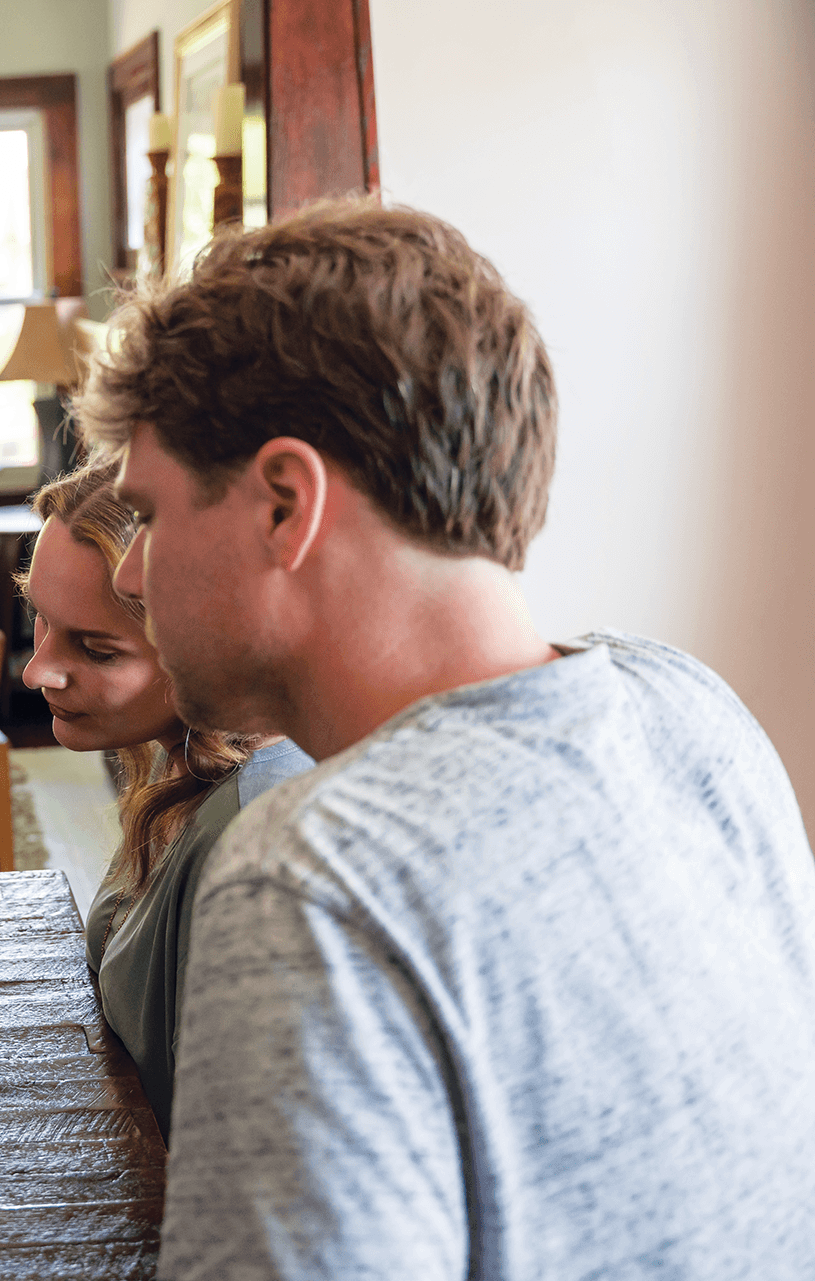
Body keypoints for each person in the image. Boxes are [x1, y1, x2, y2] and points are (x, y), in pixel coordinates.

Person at [81, 201, 815, 1277]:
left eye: (147, 512)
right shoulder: (690, 703)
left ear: (285, 505)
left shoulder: (320, 873)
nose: (133, 571)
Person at [17, 454, 311, 1135]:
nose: (37, 671)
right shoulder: (180, 756)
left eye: (96, 648)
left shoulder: (245, 839)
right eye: (39, 616)